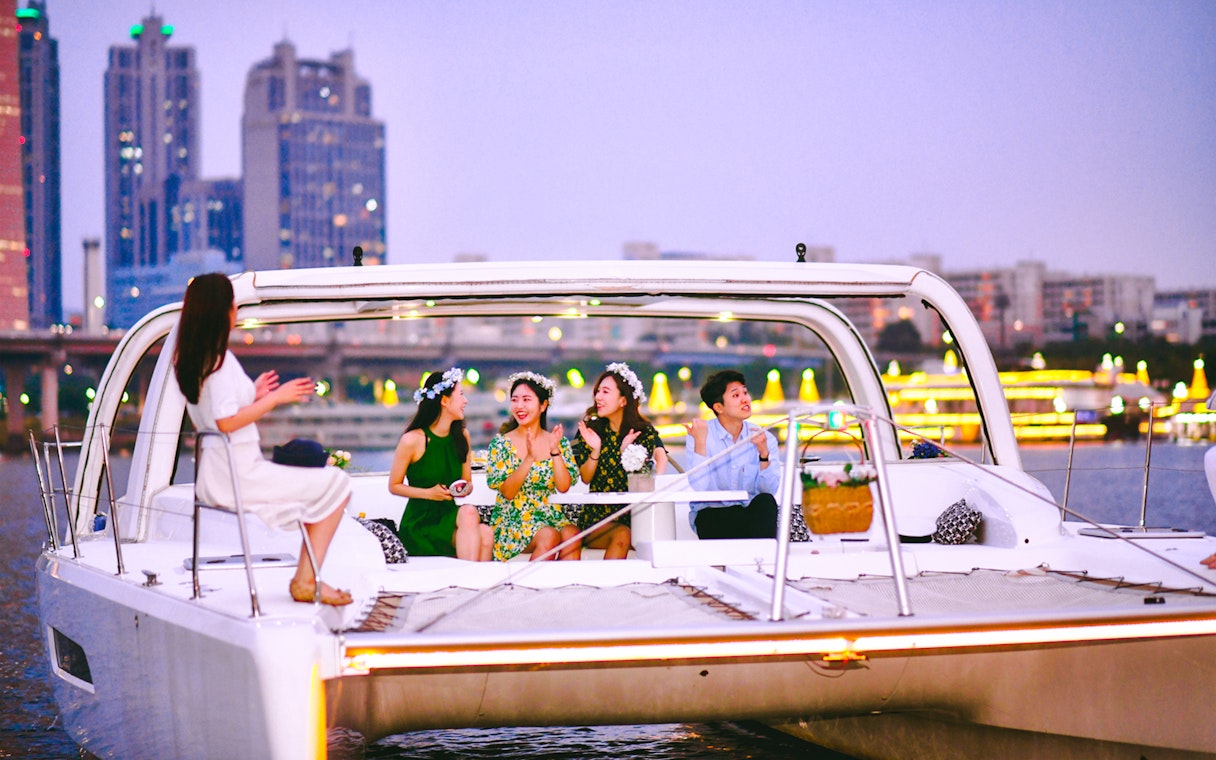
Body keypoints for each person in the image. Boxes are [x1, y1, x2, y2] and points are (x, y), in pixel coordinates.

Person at [173, 273, 353, 606]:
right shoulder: (220, 361)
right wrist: (276, 398)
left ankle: (306, 578)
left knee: (323, 488)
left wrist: (252, 393)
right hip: (239, 474)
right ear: (223, 310)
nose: (236, 310)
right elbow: (225, 422)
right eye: (233, 304)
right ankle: (306, 580)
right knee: (338, 484)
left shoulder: (194, 359)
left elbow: (215, 413)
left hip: (216, 472)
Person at [388, 368, 493, 561]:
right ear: (444, 401)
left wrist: (462, 488)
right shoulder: (412, 440)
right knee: (471, 514)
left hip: (449, 515)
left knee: (486, 533)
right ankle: (470, 583)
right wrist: (428, 493)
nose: (465, 401)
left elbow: (467, 482)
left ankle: (472, 584)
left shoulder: (462, 437)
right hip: (420, 522)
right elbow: (394, 486)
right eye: (461, 395)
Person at [571, 362, 669, 559]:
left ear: (623, 400)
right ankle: (605, 589)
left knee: (635, 532)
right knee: (622, 534)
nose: (598, 397)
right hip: (597, 519)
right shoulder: (592, 428)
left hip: (635, 516)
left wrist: (628, 453)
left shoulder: (642, 431)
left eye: (605, 392)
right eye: (598, 391)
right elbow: (586, 477)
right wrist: (596, 449)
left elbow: (660, 462)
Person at [486, 371, 580, 561]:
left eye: (526, 399)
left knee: (572, 533)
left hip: (549, 516)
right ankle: (528, 590)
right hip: (513, 519)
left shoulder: (557, 441)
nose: (519, 406)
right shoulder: (501, 444)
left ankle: (563, 590)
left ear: (543, 405)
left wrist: (555, 452)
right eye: (514, 400)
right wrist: (529, 458)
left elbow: (563, 487)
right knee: (549, 535)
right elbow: (508, 492)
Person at [683, 369, 782, 539]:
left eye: (745, 392)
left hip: (747, 514)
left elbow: (769, 490)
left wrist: (763, 453)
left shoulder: (763, 438)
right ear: (719, 407)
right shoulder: (700, 434)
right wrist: (700, 442)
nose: (745, 399)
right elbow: (699, 487)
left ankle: (764, 562)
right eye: (736, 396)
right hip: (714, 516)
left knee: (766, 503)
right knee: (712, 517)